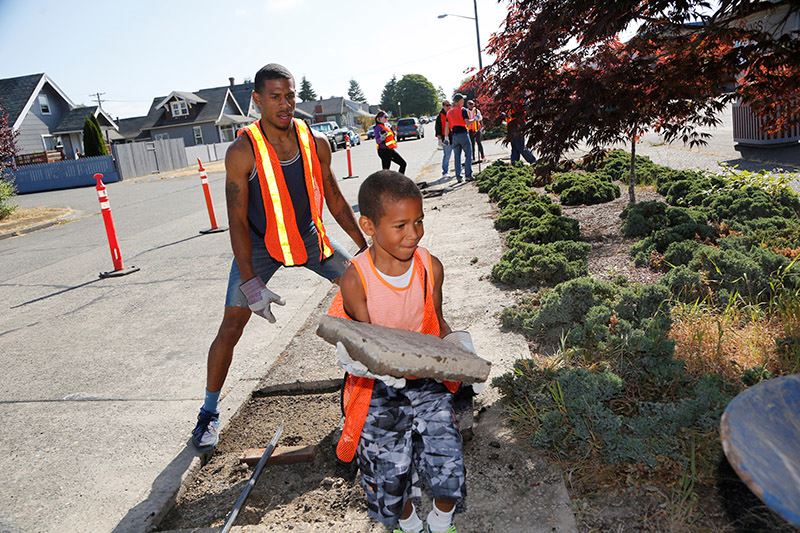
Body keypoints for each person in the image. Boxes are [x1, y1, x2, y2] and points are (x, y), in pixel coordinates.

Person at [190, 63, 367, 450]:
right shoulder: (241, 151)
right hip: (259, 246)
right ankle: (208, 413)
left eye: (290, 96)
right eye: (275, 97)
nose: (285, 105)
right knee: (231, 327)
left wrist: (363, 248)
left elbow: (335, 198)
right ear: (257, 100)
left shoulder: (314, 141)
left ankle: (381, 381)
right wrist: (250, 281)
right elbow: (236, 221)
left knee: (364, 291)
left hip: (307, 239)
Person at [330, 170, 466, 533]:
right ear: (369, 226)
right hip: (379, 385)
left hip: (425, 379)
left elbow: (436, 321)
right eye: (401, 225)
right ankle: (406, 522)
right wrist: (362, 364)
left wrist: (457, 350)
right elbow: (360, 341)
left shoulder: (429, 267)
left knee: (447, 460)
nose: (414, 234)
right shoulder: (356, 278)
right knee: (388, 472)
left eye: (419, 221)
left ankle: (440, 522)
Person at [443, 94, 476, 182]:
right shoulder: (463, 110)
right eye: (462, 100)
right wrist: (475, 119)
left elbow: (446, 126)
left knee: (457, 157)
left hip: (454, 136)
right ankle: (468, 175)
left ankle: (458, 177)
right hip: (463, 134)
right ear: (458, 101)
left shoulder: (449, 112)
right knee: (468, 154)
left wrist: (446, 138)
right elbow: (467, 123)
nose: (463, 101)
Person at [434, 101, 453, 178]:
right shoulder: (440, 116)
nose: (449, 107)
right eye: (447, 105)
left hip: (454, 136)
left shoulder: (451, 113)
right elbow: (437, 127)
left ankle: (458, 170)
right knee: (447, 155)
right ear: (443, 106)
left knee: (457, 154)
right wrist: (439, 138)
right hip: (445, 138)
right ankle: (445, 172)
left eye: (449, 105)